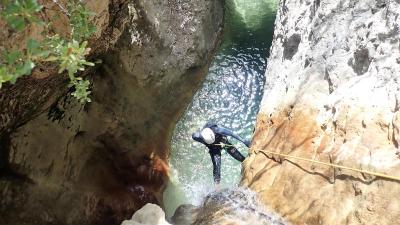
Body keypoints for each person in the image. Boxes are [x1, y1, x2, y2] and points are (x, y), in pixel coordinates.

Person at [192, 122, 251, 188]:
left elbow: (232, 133)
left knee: (240, 158)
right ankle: (217, 187)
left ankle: (248, 164)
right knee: (217, 166)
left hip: (223, 142)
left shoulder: (217, 130)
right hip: (214, 148)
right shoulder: (198, 136)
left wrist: (244, 141)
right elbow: (193, 135)